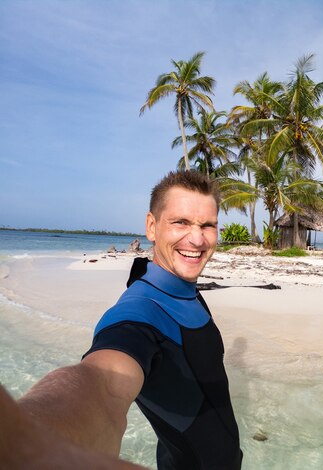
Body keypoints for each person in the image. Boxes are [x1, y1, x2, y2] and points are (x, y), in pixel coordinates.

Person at [3, 170, 242, 469]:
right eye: (180, 222)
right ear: (152, 227)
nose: (197, 239)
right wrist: (29, 440)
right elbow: (104, 386)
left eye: (207, 225)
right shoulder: (139, 312)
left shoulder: (187, 291)